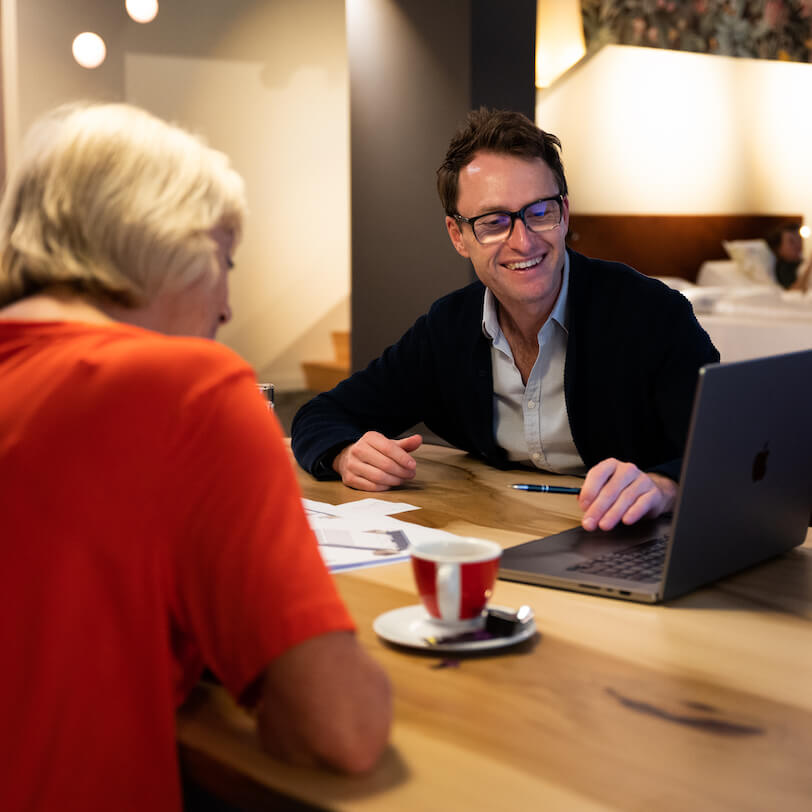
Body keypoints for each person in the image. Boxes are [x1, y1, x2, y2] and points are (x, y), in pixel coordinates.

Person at [0, 102, 391, 812]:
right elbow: (342, 728)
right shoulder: (188, 390)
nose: (227, 306)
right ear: (164, 239)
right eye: (224, 260)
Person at [292, 108, 719, 533]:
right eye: (493, 222)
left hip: (637, 541)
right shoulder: (449, 328)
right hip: (504, 533)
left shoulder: (651, 315)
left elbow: (731, 447)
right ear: (459, 236)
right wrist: (346, 453)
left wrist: (667, 486)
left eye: (539, 213)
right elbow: (322, 415)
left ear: (564, 214)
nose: (522, 240)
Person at [766, 222, 804, 289]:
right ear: (779, 248)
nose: (798, 245)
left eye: (799, 239)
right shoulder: (783, 267)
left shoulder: (801, 262)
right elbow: (792, 291)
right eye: (791, 242)